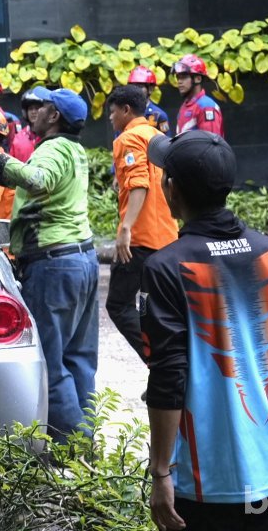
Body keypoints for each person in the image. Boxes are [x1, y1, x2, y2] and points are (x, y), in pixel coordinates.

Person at [143, 130, 268, 531]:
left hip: (204, 484)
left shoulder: (166, 267)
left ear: (172, 189)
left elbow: (169, 373)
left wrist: (161, 470)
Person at [0, 88, 100, 439]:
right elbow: (29, 178)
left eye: (42, 107)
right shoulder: (73, 150)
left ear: (54, 116)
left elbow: (37, 180)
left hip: (54, 262)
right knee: (79, 360)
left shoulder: (54, 148)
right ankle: (86, 442)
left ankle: (70, 449)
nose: (34, 112)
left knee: (54, 362)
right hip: (80, 258)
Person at [105, 86, 178, 361]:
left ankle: (159, 365)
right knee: (153, 308)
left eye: (112, 112)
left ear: (126, 110)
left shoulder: (129, 138)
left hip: (140, 239)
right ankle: (168, 369)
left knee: (119, 305)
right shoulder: (157, 135)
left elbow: (139, 183)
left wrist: (126, 228)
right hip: (166, 238)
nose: (110, 118)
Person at [173, 54, 224, 137]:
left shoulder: (206, 106)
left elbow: (211, 146)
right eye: (178, 77)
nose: (179, 81)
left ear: (198, 79)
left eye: (184, 77)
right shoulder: (186, 105)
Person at [127, 65, 171, 135]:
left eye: (139, 87)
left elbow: (167, 141)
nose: (135, 90)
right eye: (132, 86)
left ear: (150, 89)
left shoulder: (159, 115)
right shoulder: (125, 114)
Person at [8, 86, 47, 160]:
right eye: (30, 109)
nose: (33, 112)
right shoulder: (18, 139)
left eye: (37, 108)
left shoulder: (52, 136)